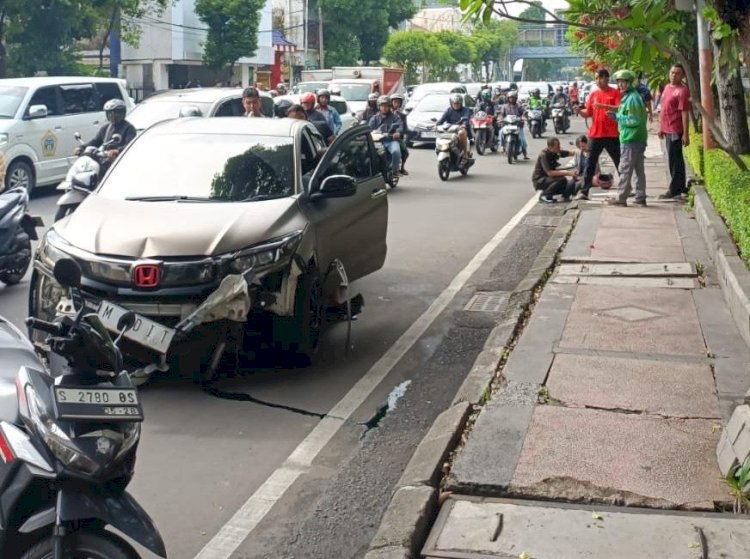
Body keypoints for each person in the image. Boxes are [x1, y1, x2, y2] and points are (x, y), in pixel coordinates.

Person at [601, 69, 648, 207]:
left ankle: (621, 198)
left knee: (626, 169)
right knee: (638, 171)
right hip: (637, 139)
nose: (620, 85)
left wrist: (616, 117)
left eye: (623, 82)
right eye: (619, 82)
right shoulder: (631, 97)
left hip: (631, 139)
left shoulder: (632, 99)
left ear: (630, 83)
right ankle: (640, 197)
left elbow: (634, 120)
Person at [576, 68, 621, 200]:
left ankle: (626, 187)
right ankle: (584, 191)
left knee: (619, 162)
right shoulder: (593, 94)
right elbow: (588, 113)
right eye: (596, 78)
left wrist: (603, 106)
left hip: (612, 134)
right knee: (590, 163)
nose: (597, 81)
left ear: (606, 78)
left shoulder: (615, 93)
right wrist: (579, 111)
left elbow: (620, 108)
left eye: (599, 78)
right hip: (596, 134)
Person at [658, 63, 691, 199]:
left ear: (682, 75)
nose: (673, 75)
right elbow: (664, 108)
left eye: (677, 73)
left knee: (674, 159)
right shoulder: (666, 88)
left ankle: (675, 189)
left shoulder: (683, 91)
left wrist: (686, 134)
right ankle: (679, 186)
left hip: (676, 130)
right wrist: (661, 127)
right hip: (667, 129)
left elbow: (685, 113)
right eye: (672, 72)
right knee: (673, 158)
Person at [75, 99, 136, 173]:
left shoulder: (129, 128)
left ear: (122, 113)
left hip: (120, 162)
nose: (112, 116)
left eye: (115, 113)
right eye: (109, 113)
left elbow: (130, 146)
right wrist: (82, 147)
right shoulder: (106, 128)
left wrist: (117, 151)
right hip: (105, 160)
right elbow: (95, 141)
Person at [368, 95, 403, 178]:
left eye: (386, 106)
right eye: (382, 106)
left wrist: (397, 133)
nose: (384, 108)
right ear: (379, 107)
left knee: (396, 151)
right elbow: (369, 129)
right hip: (377, 142)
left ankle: (395, 170)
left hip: (391, 141)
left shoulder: (395, 117)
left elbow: (400, 126)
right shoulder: (374, 118)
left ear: (389, 106)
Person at [532, 137, 576, 203]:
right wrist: (568, 173)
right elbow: (550, 173)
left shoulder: (555, 152)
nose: (559, 148)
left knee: (566, 183)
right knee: (561, 179)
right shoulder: (544, 155)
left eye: (559, 146)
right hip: (540, 180)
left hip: (549, 178)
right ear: (550, 147)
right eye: (557, 147)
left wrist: (581, 149)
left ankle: (555, 195)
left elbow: (570, 153)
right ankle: (544, 195)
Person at [436, 93, 473, 161]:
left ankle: (465, 154)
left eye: (458, 103)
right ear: (451, 103)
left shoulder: (466, 110)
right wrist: (436, 125)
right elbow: (441, 120)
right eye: (454, 103)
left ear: (461, 103)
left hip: (461, 128)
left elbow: (466, 118)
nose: (456, 105)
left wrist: (464, 124)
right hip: (449, 129)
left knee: (461, 133)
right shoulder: (448, 110)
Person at [498, 90, 528, 159]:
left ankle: (525, 153)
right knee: (501, 132)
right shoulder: (504, 107)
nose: (511, 99)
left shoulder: (519, 106)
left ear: (516, 98)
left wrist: (523, 117)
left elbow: (523, 113)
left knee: (522, 139)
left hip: (517, 125)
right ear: (508, 98)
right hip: (507, 125)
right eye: (510, 98)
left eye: (513, 98)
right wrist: (500, 118)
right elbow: (501, 114)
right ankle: (502, 146)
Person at [391, 93, 409, 175]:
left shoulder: (402, 115)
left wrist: (399, 133)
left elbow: (404, 128)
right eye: (394, 102)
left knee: (405, 152)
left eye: (398, 102)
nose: (396, 104)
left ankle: (402, 167)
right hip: (385, 137)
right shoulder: (387, 113)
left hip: (398, 138)